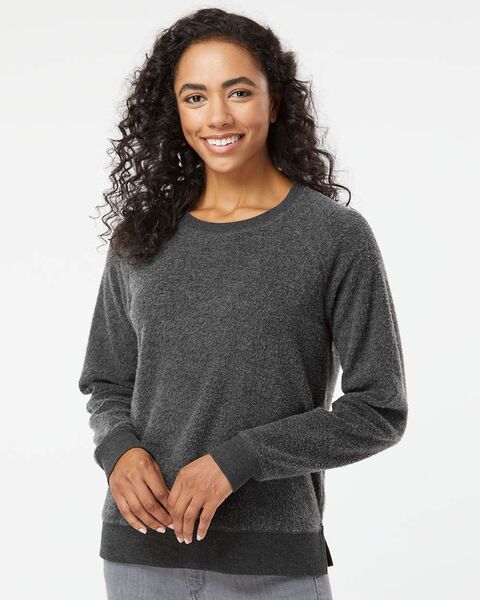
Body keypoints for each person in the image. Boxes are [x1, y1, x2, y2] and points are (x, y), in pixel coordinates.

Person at [78, 7, 408, 600]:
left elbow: (378, 409)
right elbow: (106, 381)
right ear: (175, 110)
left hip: (272, 564)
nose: (218, 117)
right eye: (195, 97)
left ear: (274, 101)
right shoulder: (140, 239)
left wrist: (241, 458)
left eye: (238, 92)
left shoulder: (333, 236)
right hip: (138, 557)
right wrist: (118, 451)